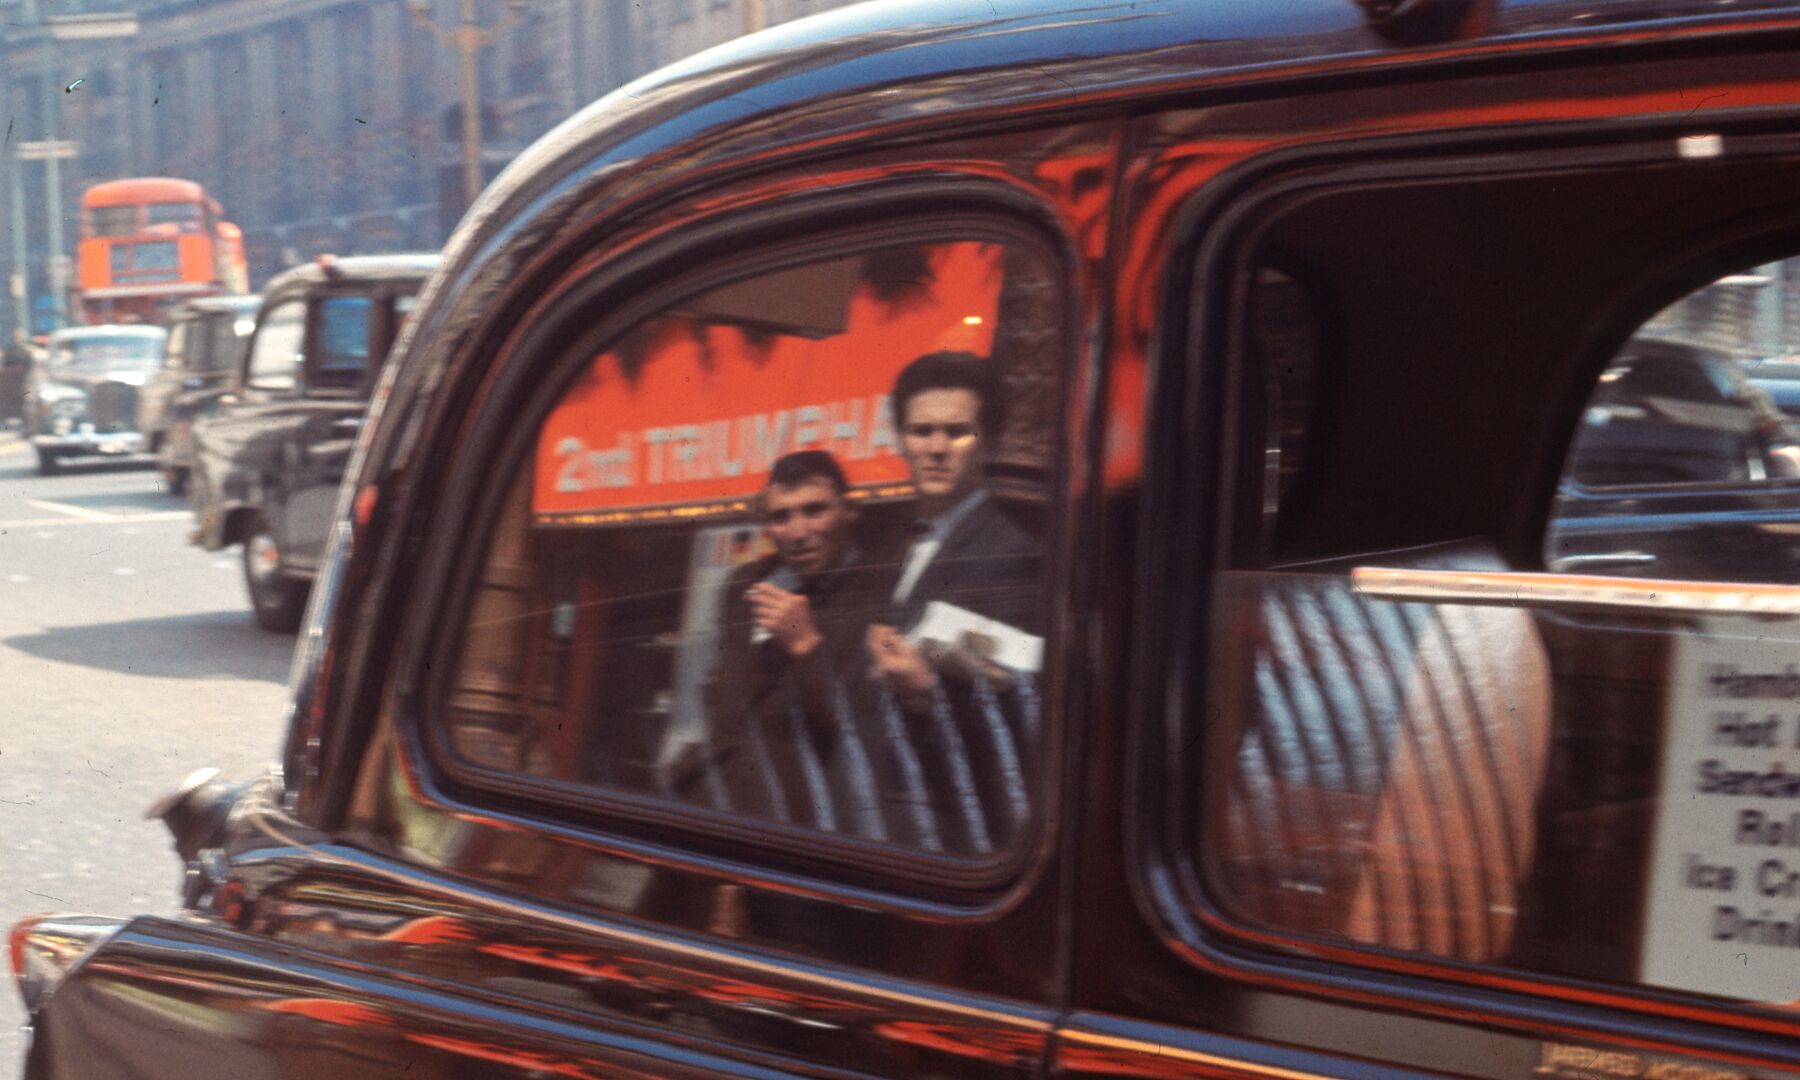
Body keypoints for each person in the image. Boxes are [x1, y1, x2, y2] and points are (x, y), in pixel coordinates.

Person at [859, 350, 1043, 854]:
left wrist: (922, 694)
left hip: (951, 834)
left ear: (989, 441)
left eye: (957, 431)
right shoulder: (892, 544)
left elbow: (1022, 715)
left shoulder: (1015, 555)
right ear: (899, 439)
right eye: (922, 432)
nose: (936, 448)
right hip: (881, 819)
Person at [683, 450, 884, 829]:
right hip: (711, 802)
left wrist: (806, 646)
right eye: (781, 516)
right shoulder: (745, 585)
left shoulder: (878, 592)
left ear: (849, 511)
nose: (797, 532)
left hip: (795, 822)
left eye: (814, 511)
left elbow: (857, 731)